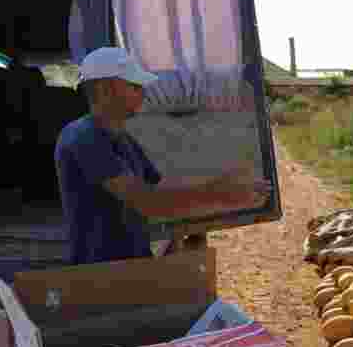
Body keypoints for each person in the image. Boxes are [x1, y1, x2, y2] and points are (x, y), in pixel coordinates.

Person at [55, 46, 271, 266]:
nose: (144, 91)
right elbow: (147, 202)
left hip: (133, 268)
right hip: (99, 275)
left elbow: (159, 190)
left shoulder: (123, 139)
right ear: (105, 89)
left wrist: (218, 196)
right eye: (134, 86)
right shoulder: (83, 137)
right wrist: (220, 192)